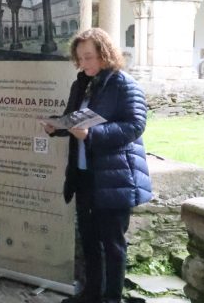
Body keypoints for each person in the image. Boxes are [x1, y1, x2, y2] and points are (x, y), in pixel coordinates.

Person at [43, 28, 152, 303]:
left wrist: (93, 135)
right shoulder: (81, 83)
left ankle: (111, 298)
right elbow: (74, 119)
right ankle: (91, 294)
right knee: (89, 239)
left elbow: (135, 125)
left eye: (89, 57)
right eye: (79, 58)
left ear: (105, 54)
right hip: (84, 174)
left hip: (114, 176)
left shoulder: (124, 84)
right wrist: (57, 127)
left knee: (112, 244)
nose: (83, 63)